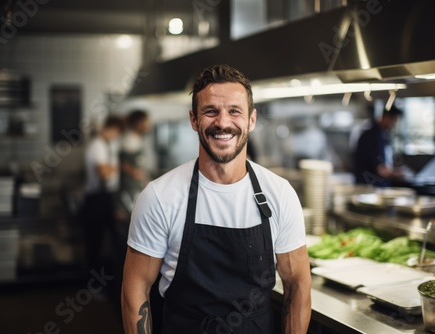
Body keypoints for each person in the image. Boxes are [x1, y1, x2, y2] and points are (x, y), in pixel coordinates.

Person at [122, 64, 312, 334]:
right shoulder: (159, 196)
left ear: (252, 120)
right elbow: (135, 288)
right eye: (211, 111)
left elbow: (298, 284)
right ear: (194, 120)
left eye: (235, 111)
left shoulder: (279, 194)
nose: (223, 122)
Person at [81, 115, 125, 272]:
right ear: (112, 128)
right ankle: (94, 287)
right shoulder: (98, 145)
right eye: (117, 132)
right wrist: (120, 168)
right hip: (97, 200)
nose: (117, 136)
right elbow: (104, 172)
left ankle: (111, 283)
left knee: (112, 242)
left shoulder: (106, 144)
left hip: (106, 198)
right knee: (95, 244)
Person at [353, 105, 403, 187]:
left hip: (376, 186)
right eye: (394, 121)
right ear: (386, 117)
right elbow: (381, 170)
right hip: (370, 188)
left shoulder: (381, 135)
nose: (394, 125)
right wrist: (399, 174)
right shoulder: (373, 137)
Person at [120, 110, 152, 213]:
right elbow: (123, 164)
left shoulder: (137, 139)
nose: (149, 125)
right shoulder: (130, 140)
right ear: (138, 123)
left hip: (137, 188)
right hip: (131, 190)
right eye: (146, 122)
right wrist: (136, 173)